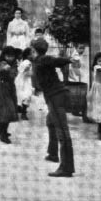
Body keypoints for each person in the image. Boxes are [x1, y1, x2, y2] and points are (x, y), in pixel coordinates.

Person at [31, 38, 75, 178]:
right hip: (53, 96)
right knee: (50, 122)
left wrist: (68, 59)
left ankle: (66, 168)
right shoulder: (39, 60)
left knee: (63, 132)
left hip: (56, 97)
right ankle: (53, 153)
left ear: (34, 49)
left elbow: (57, 61)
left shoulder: (43, 59)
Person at [0, 46, 19, 144]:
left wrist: (10, 70)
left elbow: (14, 74)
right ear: (4, 55)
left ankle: (1, 128)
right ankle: (3, 133)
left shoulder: (14, 64)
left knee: (8, 109)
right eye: (8, 56)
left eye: (12, 56)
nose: (10, 58)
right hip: (1, 87)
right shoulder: (0, 63)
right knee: (6, 110)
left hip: (10, 87)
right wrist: (3, 69)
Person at [15, 47, 35, 120]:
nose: (34, 55)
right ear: (28, 55)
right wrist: (28, 70)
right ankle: (23, 113)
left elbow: (20, 69)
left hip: (21, 80)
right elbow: (24, 71)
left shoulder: (25, 61)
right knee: (27, 96)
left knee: (22, 95)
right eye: (32, 53)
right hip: (25, 81)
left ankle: (20, 109)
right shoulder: (28, 62)